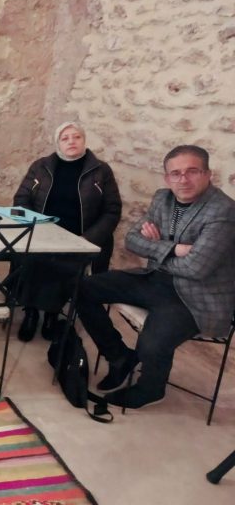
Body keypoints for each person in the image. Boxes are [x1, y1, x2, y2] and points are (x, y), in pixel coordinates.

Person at [76, 145, 235, 409]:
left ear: (208, 174)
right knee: (82, 288)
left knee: (151, 344)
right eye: (176, 173)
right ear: (167, 178)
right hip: (156, 278)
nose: (183, 179)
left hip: (197, 296)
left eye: (192, 171)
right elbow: (131, 240)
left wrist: (157, 246)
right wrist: (176, 249)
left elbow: (197, 269)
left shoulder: (223, 211)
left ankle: (151, 389)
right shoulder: (163, 199)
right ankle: (119, 357)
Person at [13, 121, 121, 341]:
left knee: (63, 262)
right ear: (58, 143)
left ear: (84, 140)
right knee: (31, 258)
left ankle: (51, 314)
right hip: (42, 232)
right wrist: (36, 226)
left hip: (80, 237)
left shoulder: (101, 171)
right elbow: (22, 198)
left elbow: (112, 210)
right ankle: (31, 312)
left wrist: (87, 239)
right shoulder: (41, 166)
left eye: (76, 137)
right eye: (65, 138)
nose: (71, 141)